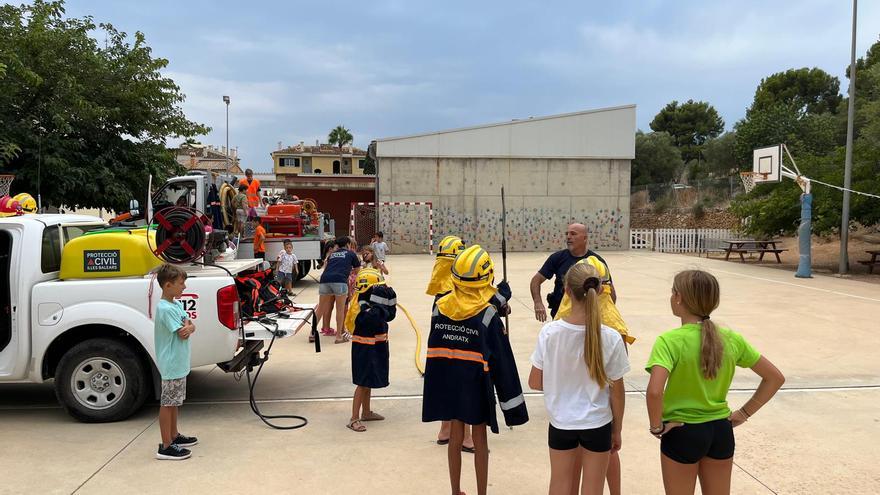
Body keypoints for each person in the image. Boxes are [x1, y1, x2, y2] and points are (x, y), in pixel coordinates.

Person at [646, 270, 785, 495]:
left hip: (683, 431)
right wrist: (744, 412)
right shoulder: (731, 338)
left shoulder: (669, 341)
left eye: (672, 292)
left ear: (679, 297)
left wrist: (656, 427)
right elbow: (775, 378)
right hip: (721, 430)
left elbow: (654, 391)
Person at [422, 245, 529, 495]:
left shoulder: (440, 307)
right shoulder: (488, 315)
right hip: (477, 385)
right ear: (487, 276)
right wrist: (513, 410)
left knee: (455, 436)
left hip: (448, 382)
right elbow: (504, 366)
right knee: (480, 438)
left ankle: (455, 490)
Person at [529, 262, 629, 495]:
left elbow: (535, 382)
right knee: (593, 488)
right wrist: (617, 429)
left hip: (561, 423)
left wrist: (559, 381)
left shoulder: (549, 333)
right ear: (602, 290)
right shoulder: (611, 337)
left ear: (566, 291)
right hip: (598, 424)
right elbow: (617, 391)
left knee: (559, 484)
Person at [153, 264, 198, 460]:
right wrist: (187, 328)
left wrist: (189, 327)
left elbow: (190, 325)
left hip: (178, 362)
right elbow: (183, 332)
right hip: (171, 363)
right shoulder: (165, 308)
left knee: (175, 402)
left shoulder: (176, 304)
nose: (184, 287)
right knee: (168, 403)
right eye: (181, 283)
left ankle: (174, 435)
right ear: (168, 285)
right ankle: (166, 445)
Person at [346, 269, 397, 432]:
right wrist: (380, 305)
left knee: (369, 380)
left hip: (376, 345)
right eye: (378, 287)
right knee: (362, 381)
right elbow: (372, 318)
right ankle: (354, 418)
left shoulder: (373, 301)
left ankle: (366, 412)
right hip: (364, 348)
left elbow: (389, 316)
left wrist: (386, 301)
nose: (382, 289)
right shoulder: (362, 305)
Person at [530, 223, 613, 322]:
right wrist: (537, 302)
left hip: (588, 319)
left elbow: (610, 292)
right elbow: (536, 280)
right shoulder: (557, 258)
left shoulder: (597, 262)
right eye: (567, 234)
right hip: (561, 318)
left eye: (573, 234)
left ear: (585, 238)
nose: (568, 237)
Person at [316, 236, 361, 344]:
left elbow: (327, 267)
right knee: (340, 309)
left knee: (320, 308)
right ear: (347, 244)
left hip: (325, 280)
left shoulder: (332, 254)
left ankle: (312, 333)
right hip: (340, 280)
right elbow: (357, 270)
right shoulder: (351, 254)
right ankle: (338, 336)